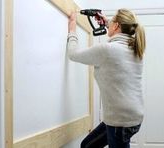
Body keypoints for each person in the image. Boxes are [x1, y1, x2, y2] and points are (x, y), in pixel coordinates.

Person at [67, 8, 146, 148]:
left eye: (112, 22)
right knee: (87, 145)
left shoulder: (107, 50)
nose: (109, 23)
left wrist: (72, 27)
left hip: (120, 121)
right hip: (132, 118)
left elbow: (73, 54)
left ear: (116, 26)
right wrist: (108, 21)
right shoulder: (134, 49)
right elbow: (121, 32)